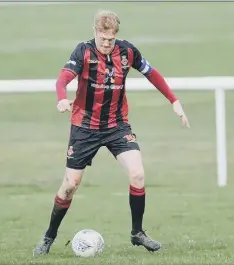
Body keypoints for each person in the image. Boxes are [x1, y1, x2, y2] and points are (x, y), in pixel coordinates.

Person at [33, 10, 190, 256]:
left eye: (111, 39)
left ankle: (137, 233)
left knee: (137, 174)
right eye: (102, 39)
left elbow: (151, 73)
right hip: (84, 127)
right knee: (70, 185)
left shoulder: (127, 52)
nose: (106, 44)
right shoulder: (83, 52)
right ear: (94, 32)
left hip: (117, 125)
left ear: (116, 35)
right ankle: (49, 236)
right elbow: (62, 79)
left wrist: (174, 100)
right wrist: (62, 99)